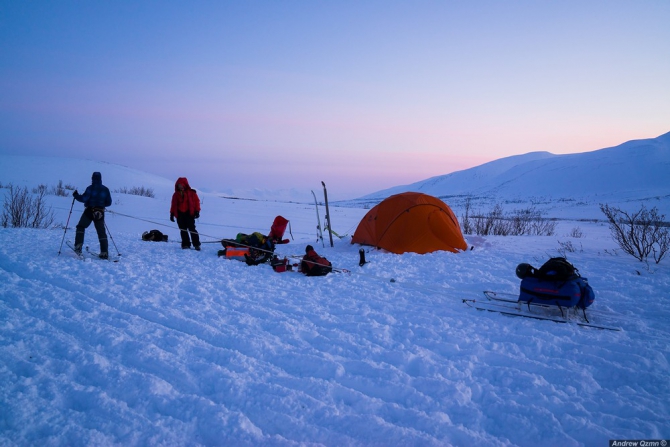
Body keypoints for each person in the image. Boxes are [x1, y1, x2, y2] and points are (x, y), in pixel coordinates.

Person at [73, 172, 112, 259]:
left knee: (81, 226)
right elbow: (109, 202)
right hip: (100, 213)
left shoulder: (90, 188)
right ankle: (104, 252)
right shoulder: (105, 189)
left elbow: (84, 199)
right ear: (101, 178)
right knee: (101, 232)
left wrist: (76, 196)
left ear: (92, 178)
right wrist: (101, 204)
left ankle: (78, 246)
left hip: (89, 211)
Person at [170, 177, 201, 250]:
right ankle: (185, 244)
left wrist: (197, 211)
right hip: (180, 214)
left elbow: (197, 202)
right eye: (178, 185)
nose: (180, 186)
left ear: (185, 184)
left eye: (181, 184)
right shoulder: (175, 194)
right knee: (183, 230)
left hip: (189, 213)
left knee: (192, 229)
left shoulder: (192, 193)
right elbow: (173, 205)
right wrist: (172, 213)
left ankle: (196, 244)